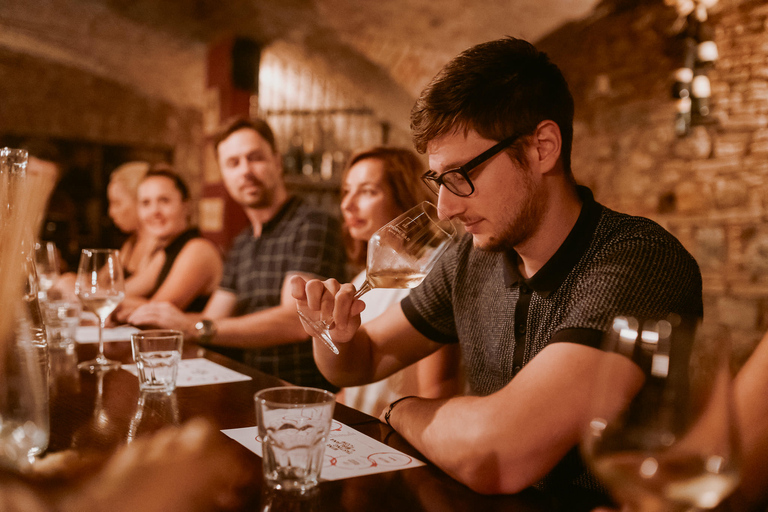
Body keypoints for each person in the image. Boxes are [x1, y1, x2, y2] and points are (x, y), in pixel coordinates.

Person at [292, 36, 703, 497]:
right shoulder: (471, 258)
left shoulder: (638, 259)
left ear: (541, 148)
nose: (444, 207)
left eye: (461, 176)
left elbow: (500, 454)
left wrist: (397, 409)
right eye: (437, 180)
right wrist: (331, 332)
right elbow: (358, 361)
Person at [128, 117, 346, 390]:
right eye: (233, 163)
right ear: (223, 174)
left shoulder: (312, 224)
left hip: (300, 393)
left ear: (277, 162)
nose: (245, 170)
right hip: (248, 386)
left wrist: (195, 328)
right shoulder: (243, 242)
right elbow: (214, 315)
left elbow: (297, 322)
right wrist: (177, 323)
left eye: (255, 158)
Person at [336, 146, 463, 416]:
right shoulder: (367, 275)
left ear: (404, 197)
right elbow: (354, 389)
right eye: (347, 190)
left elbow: (437, 393)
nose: (347, 205)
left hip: (395, 444)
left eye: (368, 191)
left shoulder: (428, 277)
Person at [113, 166, 223, 321]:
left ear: (186, 206)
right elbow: (118, 292)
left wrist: (100, 300)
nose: (154, 211)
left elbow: (156, 312)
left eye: (164, 201)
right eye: (146, 203)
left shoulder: (198, 249)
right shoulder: (167, 251)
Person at [106, 161, 158, 279]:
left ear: (141, 201)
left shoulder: (159, 248)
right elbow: (99, 281)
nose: (111, 212)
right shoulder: (131, 243)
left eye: (117, 203)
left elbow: (118, 291)